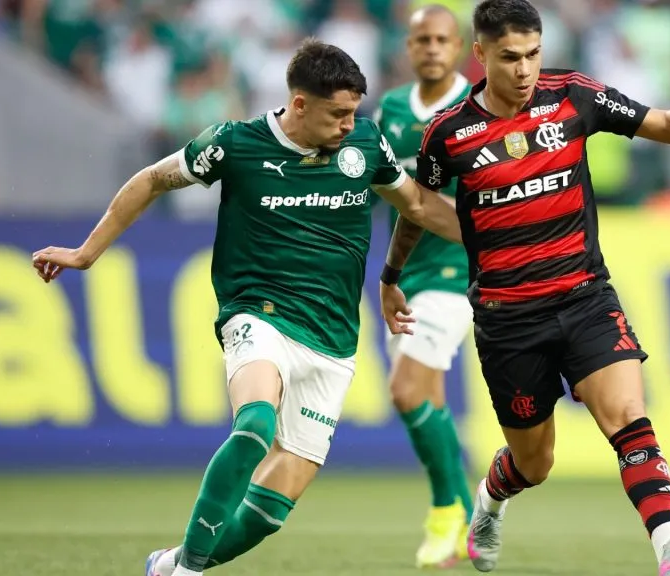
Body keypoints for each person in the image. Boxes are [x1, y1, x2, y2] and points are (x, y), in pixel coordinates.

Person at [31, 39, 462, 576]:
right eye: (339, 113)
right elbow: (152, 179)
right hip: (258, 314)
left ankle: (170, 565)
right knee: (255, 423)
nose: (350, 124)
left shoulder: (365, 148)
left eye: (355, 112)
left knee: (269, 515)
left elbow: (418, 205)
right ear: (299, 104)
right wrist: (86, 252)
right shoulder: (235, 144)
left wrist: (496, 234)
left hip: (332, 340)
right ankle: (187, 571)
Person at [377, 1, 670, 575]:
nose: (524, 69)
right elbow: (417, 208)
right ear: (481, 54)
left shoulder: (574, 95)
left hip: (585, 297)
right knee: (534, 462)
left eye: (533, 55)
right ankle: (489, 503)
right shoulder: (449, 133)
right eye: (510, 57)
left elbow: (669, 128)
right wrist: (391, 277)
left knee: (627, 416)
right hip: (508, 320)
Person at [373, 4, 475, 568]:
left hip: (458, 272)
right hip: (403, 273)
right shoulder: (389, 108)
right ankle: (468, 515)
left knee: (405, 390)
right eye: (422, 40)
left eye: (442, 39)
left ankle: (444, 513)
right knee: (427, 400)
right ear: (409, 48)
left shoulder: (477, 108)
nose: (432, 48)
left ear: (458, 47)